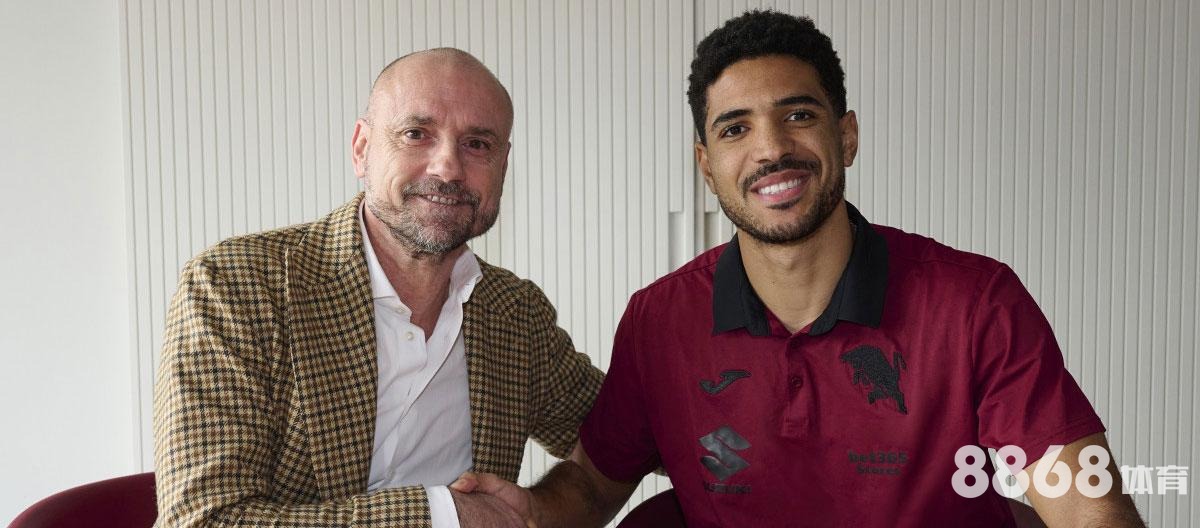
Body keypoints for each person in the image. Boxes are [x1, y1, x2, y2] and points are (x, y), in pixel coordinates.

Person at [451, 11, 1146, 527]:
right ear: (707, 166)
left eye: (799, 115)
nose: (771, 149)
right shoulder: (659, 319)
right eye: (736, 128)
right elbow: (593, 486)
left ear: (846, 135)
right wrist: (529, 514)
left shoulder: (976, 301)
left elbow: (1085, 500)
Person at [153, 48, 603, 528]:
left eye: (476, 144)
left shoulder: (515, 313)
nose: (448, 168)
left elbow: (624, 433)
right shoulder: (236, 287)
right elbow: (203, 521)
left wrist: (540, 507)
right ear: (362, 149)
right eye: (416, 134)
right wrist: (443, 515)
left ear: (503, 166)